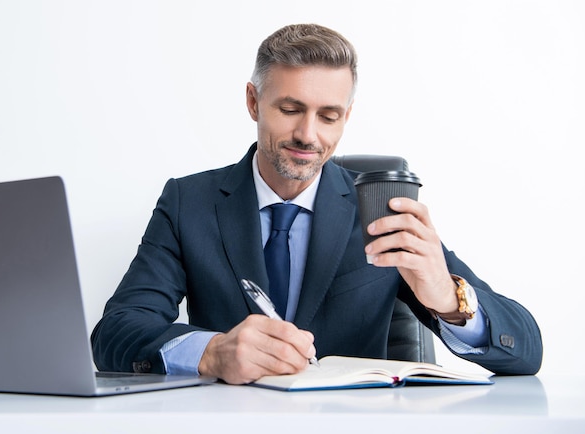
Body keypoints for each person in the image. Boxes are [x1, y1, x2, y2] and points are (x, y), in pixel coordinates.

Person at [91, 23, 543, 384]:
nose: (309, 135)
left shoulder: (383, 210)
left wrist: (447, 298)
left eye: (328, 116)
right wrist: (212, 352)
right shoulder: (188, 202)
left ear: (346, 117)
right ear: (253, 102)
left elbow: (525, 349)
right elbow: (115, 333)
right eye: (290, 110)